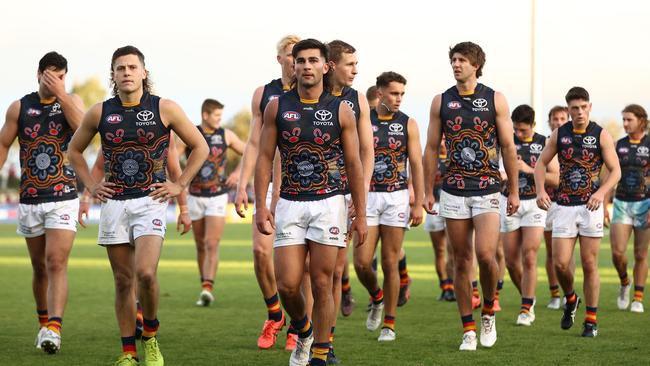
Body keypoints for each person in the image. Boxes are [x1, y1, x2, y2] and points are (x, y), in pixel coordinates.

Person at [68, 45, 209, 365]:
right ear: (113, 75)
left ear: (144, 72)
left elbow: (199, 147)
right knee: (122, 281)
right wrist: (90, 186)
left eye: (133, 67)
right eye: (121, 68)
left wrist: (180, 184)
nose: (127, 73)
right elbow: (74, 151)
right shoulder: (99, 112)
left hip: (151, 201)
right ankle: (128, 352)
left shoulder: (166, 108)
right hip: (114, 204)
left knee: (145, 273)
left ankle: (151, 335)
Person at [254, 38, 367, 366]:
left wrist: (360, 213)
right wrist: (263, 206)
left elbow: (355, 164)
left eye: (312, 60)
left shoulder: (341, 109)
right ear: (294, 65)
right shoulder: (277, 106)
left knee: (322, 280)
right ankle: (302, 329)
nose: (305, 66)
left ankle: (319, 351)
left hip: (329, 203)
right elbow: (264, 157)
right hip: (290, 203)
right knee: (288, 285)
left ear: (325, 66)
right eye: (300, 60)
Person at [423, 42, 520, 351]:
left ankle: (489, 311)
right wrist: (427, 190)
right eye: (453, 59)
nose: (456, 64)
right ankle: (468, 329)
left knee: (487, 255)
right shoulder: (441, 101)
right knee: (461, 261)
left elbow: (508, 147)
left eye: (462, 60)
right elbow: (429, 148)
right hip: (452, 190)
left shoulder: (495, 99)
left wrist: (515, 190)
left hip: (488, 188)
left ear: (476, 65)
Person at [0, 51, 84, 354]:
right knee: (39, 268)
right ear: (38, 75)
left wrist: (62, 94)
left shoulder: (71, 103)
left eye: (61, 76)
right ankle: (43, 323)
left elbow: (84, 131)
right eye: (50, 75)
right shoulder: (19, 107)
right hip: (30, 198)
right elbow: (3, 144)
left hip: (63, 197)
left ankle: (55, 329)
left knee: (56, 262)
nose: (54, 80)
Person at [534, 86, 621, 338]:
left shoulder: (601, 134)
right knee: (561, 263)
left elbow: (615, 171)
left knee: (590, 264)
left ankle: (591, 321)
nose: (580, 112)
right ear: (568, 110)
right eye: (575, 108)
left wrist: (601, 193)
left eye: (584, 107)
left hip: (590, 206)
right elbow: (540, 163)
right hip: (563, 205)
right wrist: (540, 190)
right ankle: (571, 299)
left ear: (590, 107)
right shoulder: (559, 134)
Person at [234, 34, 301, 350]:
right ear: (280, 59)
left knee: (302, 265)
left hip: (304, 185)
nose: (295, 60)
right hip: (269, 184)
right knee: (261, 253)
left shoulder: (316, 93)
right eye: (290, 55)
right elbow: (253, 143)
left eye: (300, 55)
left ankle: (298, 327)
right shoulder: (264, 94)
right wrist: (242, 185)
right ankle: (275, 314)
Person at [326, 39, 374, 362]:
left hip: (342, 195)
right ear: (331, 65)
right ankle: (302, 329)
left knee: (330, 271)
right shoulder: (305, 93)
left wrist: (361, 194)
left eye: (357, 64)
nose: (356, 70)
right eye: (350, 64)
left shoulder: (358, 100)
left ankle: (323, 342)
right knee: (297, 276)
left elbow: (366, 151)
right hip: (302, 195)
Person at [176, 98, 245, 306]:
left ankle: (208, 287)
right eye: (216, 116)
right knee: (200, 245)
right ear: (205, 115)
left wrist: (238, 172)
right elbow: (171, 156)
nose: (219, 120)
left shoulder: (226, 135)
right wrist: (181, 180)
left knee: (211, 243)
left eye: (220, 116)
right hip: (194, 196)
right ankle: (203, 284)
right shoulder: (191, 134)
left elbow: (250, 151)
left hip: (217, 196)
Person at [500, 104, 559, 326]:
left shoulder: (544, 143)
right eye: (515, 129)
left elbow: (555, 178)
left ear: (533, 125)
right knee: (511, 262)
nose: (518, 134)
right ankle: (528, 296)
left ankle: (525, 308)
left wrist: (528, 169)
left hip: (534, 203)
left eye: (523, 130)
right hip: (509, 203)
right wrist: (502, 174)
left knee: (530, 254)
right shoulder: (506, 141)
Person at [609, 104, 650, 313]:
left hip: (645, 203)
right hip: (621, 203)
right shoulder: (618, 145)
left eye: (629, 119)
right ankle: (625, 282)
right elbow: (609, 174)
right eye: (623, 119)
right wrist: (604, 202)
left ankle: (638, 298)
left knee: (641, 254)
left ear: (641, 120)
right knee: (617, 253)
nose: (625, 123)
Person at [543, 106, 571, 309]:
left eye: (562, 118)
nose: (558, 122)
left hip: (569, 202)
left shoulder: (573, 143)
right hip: (547, 202)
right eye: (555, 118)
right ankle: (554, 293)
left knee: (566, 254)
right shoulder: (544, 143)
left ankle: (567, 294)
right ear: (549, 121)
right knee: (551, 252)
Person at [423, 142, 455, 301]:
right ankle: (445, 286)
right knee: (440, 250)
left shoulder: (454, 155)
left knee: (452, 249)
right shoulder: (429, 156)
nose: (441, 142)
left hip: (451, 204)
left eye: (444, 139)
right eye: (439, 139)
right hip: (434, 205)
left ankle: (453, 284)